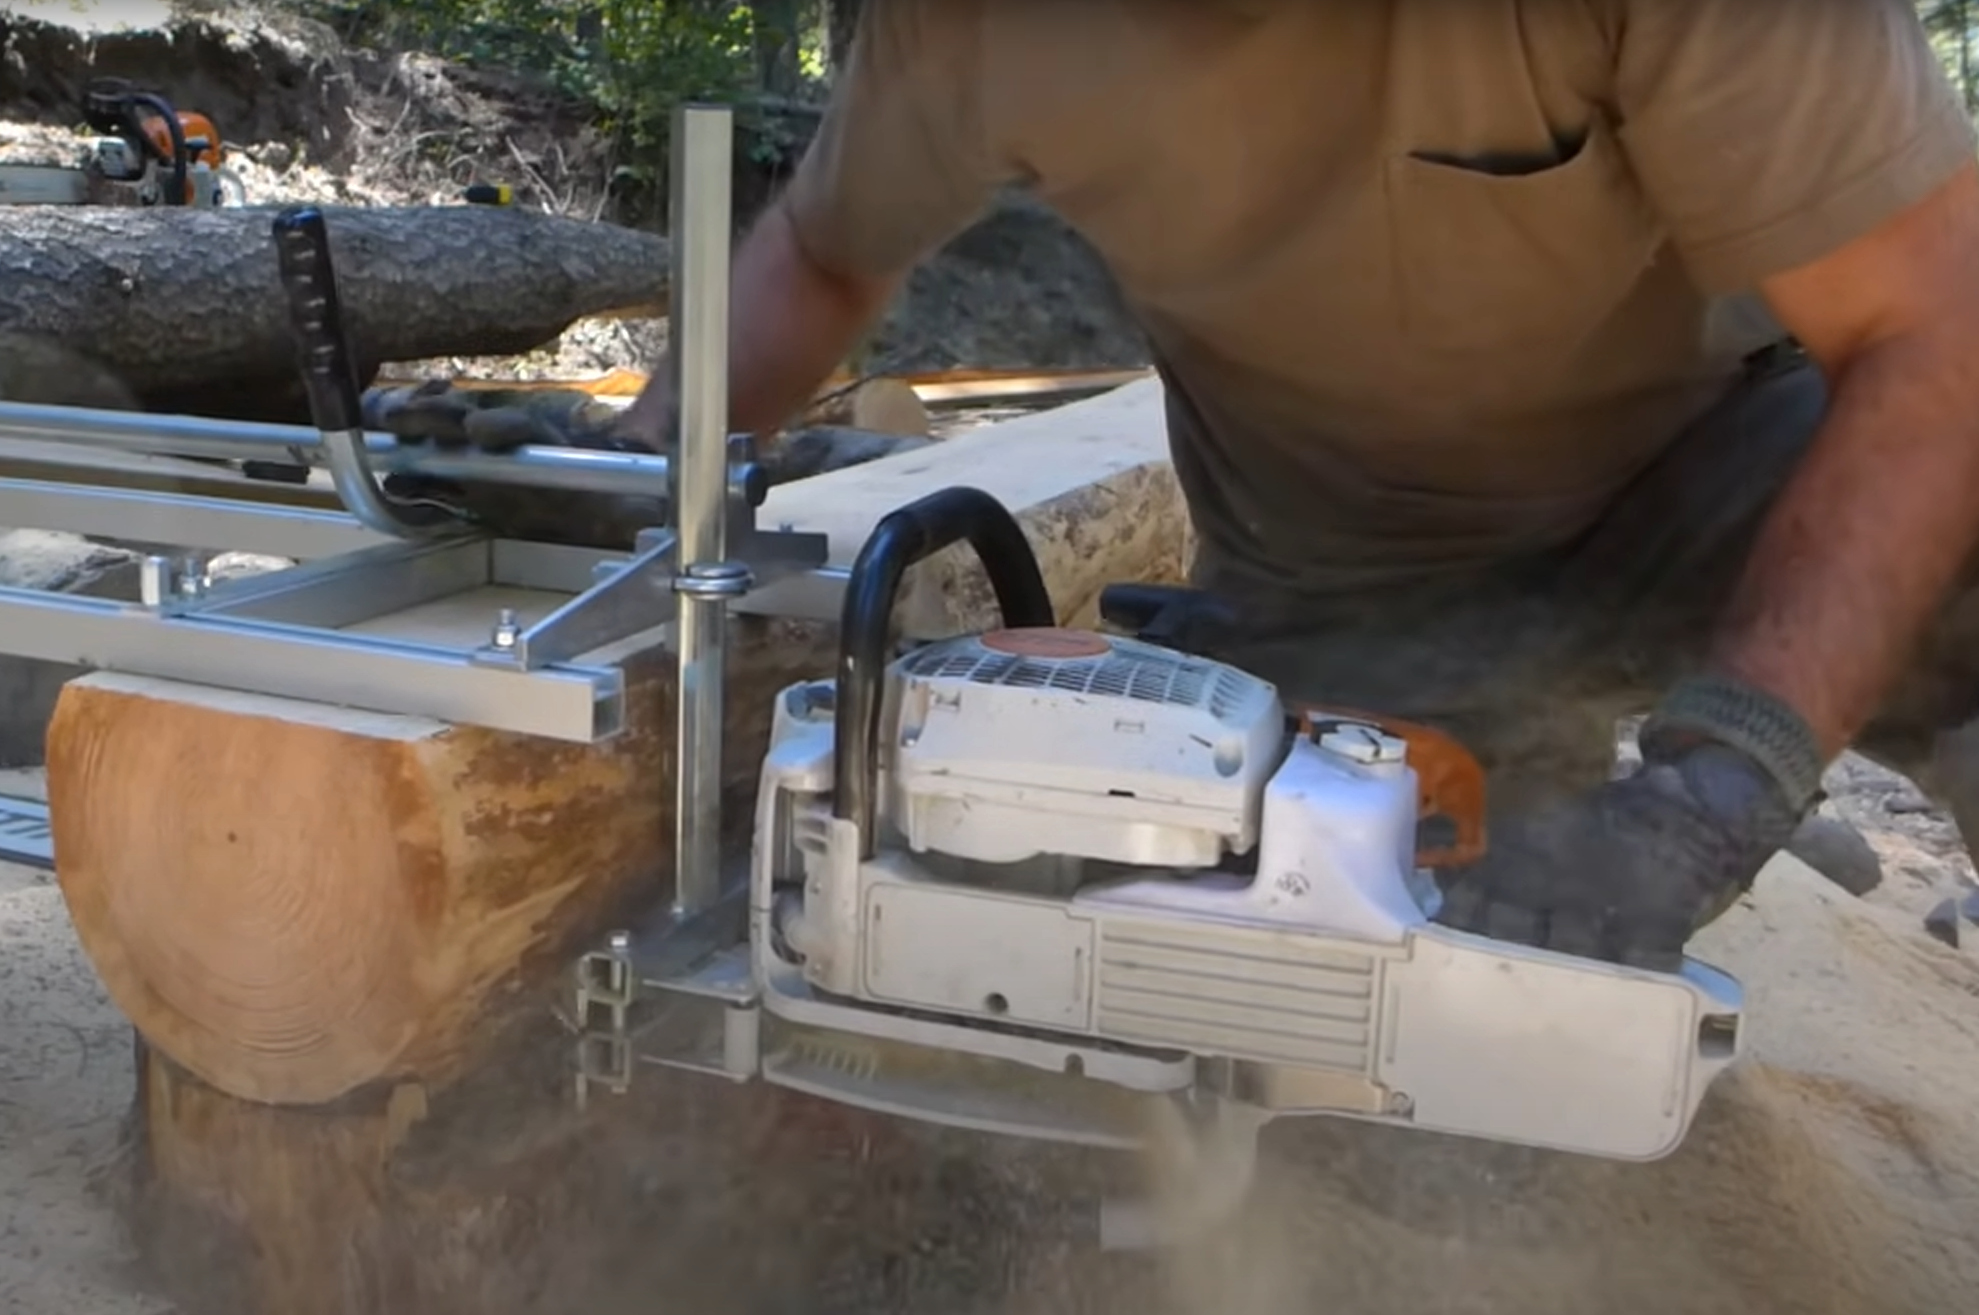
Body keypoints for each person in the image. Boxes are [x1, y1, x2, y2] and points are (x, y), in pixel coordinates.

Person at [391, 0, 1979, 973]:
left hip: (1708, 486)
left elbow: (1930, 330)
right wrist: (652, 453)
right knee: (1371, 1039)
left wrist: (1730, 772)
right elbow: (821, 247)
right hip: (1346, 579)